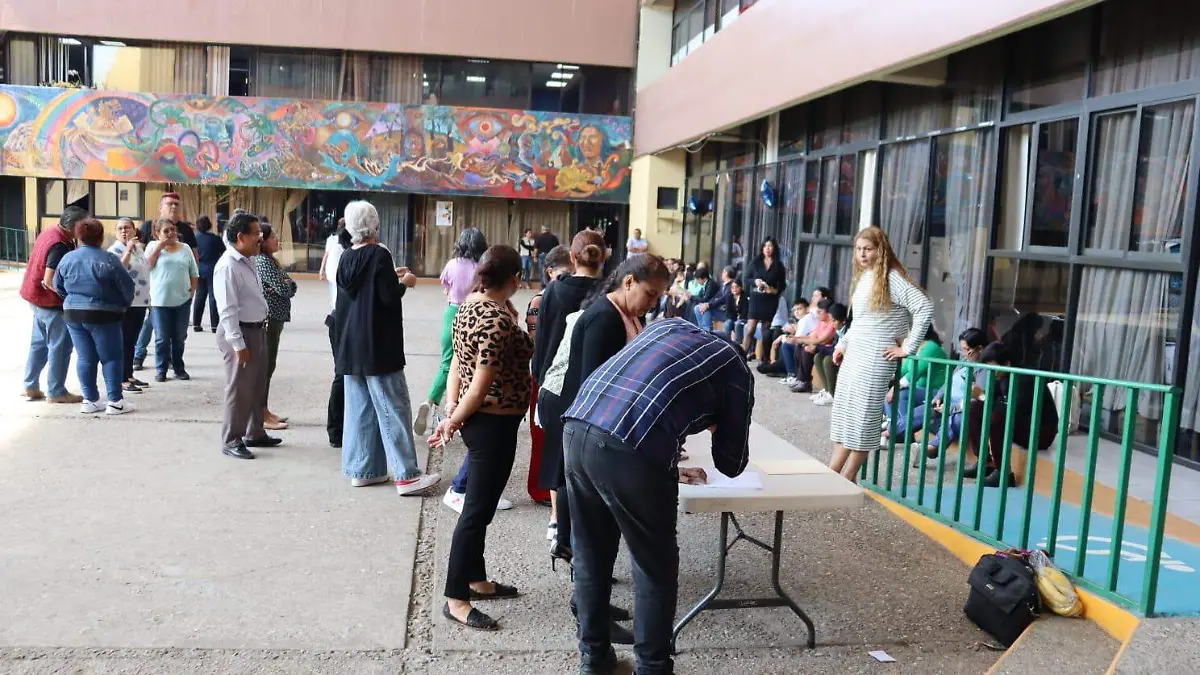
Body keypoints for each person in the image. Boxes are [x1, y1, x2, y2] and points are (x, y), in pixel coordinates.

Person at [563, 318, 753, 675]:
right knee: (654, 567)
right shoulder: (735, 366)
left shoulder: (668, 326)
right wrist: (718, 421)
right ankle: (651, 668)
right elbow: (730, 463)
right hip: (630, 447)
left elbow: (642, 391)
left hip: (577, 427)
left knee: (590, 555)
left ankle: (594, 660)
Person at [428, 245, 534, 632]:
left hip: (484, 420)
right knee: (475, 513)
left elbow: (458, 363)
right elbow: (480, 385)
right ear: (515, 278)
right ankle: (457, 598)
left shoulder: (470, 305)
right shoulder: (495, 318)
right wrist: (452, 420)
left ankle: (476, 580)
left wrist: (453, 410)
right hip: (491, 423)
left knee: (481, 507)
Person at [335, 201, 439, 494]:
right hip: (378, 345)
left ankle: (364, 469)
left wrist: (392, 275)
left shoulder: (346, 257)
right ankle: (406, 474)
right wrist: (405, 281)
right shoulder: (379, 254)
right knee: (393, 407)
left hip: (351, 346)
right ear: (375, 225)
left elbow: (364, 292)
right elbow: (387, 297)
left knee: (360, 410)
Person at [828, 226, 933, 483]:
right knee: (846, 412)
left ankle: (848, 476)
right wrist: (843, 344)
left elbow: (924, 307)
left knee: (864, 415)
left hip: (877, 356)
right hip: (857, 353)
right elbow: (861, 321)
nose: (862, 254)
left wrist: (908, 347)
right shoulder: (866, 277)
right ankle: (831, 473)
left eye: (868, 249)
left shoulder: (891, 277)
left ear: (880, 249)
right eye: (859, 249)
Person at [532, 232, 608, 546]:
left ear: (572, 258)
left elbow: (543, 342)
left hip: (557, 387)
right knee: (591, 470)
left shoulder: (554, 292)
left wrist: (540, 379)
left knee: (558, 460)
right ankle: (585, 540)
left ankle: (557, 526)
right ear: (605, 257)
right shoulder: (610, 295)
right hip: (596, 391)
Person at [213, 213, 282, 460]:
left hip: (256, 329)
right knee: (239, 388)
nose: (260, 238)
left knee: (256, 384)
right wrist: (238, 344)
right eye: (256, 234)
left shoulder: (248, 259)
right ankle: (232, 439)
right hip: (240, 332)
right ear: (240, 237)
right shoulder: (228, 266)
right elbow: (227, 310)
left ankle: (255, 432)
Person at [54, 218, 136, 415]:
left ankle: (90, 400)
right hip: (104, 313)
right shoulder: (108, 259)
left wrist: (72, 300)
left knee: (85, 357)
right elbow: (127, 287)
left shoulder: (67, 258)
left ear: (79, 237)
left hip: (73, 313)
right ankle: (115, 401)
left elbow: (58, 285)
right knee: (111, 358)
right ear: (101, 237)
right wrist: (122, 306)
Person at [414, 228, 489, 442]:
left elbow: (446, 288)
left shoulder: (452, 264)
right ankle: (460, 412)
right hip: (475, 315)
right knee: (472, 367)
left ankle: (431, 401)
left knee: (448, 363)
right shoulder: (482, 268)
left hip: (452, 312)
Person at [962, 342, 1059, 488]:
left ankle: (1003, 473)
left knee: (998, 417)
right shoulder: (1001, 376)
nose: (990, 372)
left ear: (1007, 364)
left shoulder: (1024, 378)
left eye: (993, 367)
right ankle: (985, 462)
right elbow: (991, 400)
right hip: (1021, 423)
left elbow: (1013, 410)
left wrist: (982, 396)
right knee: (974, 407)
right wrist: (979, 396)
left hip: (1040, 432)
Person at [524, 244, 574, 508]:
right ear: (549, 271)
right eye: (564, 272)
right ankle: (540, 488)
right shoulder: (539, 300)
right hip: (543, 373)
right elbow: (535, 339)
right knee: (541, 433)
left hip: (560, 373)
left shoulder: (565, 297)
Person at [20, 206, 86, 403]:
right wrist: (68, 297)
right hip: (50, 303)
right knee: (60, 346)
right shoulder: (60, 244)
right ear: (73, 226)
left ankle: (30, 385)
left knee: (38, 345)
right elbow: (49, 280)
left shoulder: (49, 231)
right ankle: (56, 391)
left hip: (35, 298)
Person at [135, 192, 198, 368]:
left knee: (178, 330)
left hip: (180, 290)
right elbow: (141, 258)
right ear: (161, 207)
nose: (173, 207)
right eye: (169, 204)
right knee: (150, 324)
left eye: (176, 204)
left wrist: (193, 286)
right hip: (154, 289)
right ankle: (138, 355)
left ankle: (172, 360)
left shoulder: (185, 230)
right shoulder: (148, 226)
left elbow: (194, 256)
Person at [909, 327, 988, 464]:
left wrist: (950, 408)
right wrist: (938, 396)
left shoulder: (983, 370)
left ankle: (931, 447)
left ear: (980, 349)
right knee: (924, 410)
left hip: (961, 410)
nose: (964, 353)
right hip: (946, 404)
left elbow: (976, 399)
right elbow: (949, 382)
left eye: (966, 349)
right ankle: (890, 431)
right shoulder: (964, 362)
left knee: (958, 418)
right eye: (962, 349)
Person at [146, 218, 199, 382]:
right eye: (166, 231)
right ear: (157, 234)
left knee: (179, 337)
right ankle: (161, 369)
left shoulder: (185, 248)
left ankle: (178, 368)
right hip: (160, 302)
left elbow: (194, 272)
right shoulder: (152, 247)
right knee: (162, 338)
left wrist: (191, 294)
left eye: (172, 230)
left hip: (182, 301)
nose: (170, 233)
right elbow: (147, 266)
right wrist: (160, 247)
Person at [256, 223, 298, 431]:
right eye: (273, 237)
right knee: (265, 367)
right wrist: (284, 284)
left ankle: (265, 409)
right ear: (263, 241)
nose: (277, 240)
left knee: (269, 366)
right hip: (269, 318)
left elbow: (291, 285)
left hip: (277, 318)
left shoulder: (271, 261)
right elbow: (285, 288)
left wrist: (286, 284)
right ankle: (260, 413)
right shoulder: (263, 262)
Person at [882, 325, 949, 442]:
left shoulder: (931, 347)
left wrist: (894, 388)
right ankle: (898, 428)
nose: (907, 335)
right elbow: (903, 371)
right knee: (888, 396)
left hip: (936, 391)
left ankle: (899, 431)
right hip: (919, 389)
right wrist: (884, 378)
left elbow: (913, 373)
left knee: (901, 394)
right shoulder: (914, 348)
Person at [109, 218, 153, 394]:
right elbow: (119, 269)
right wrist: (127, 250)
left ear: (134, 230)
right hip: (125, 303)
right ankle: (121, 378)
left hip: (140, 301)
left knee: (132, 341)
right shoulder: (115, 250)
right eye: (120, 228)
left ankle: (129, 374)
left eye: (127, 227)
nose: (124, 231)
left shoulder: (139, 249)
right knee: (124, 341)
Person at [325, 227, 353, 449]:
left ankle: (341, 427)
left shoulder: (345, 254)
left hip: (342, 319)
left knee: (345, 374)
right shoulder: (346, 256)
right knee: (342, 374)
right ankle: (336, 430)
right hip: (341, 320)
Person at [742, 237, 787, 361]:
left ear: (774, 248)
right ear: (762, 248)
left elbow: (783, 284)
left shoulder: (779, 265)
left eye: (770, 246)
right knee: (750, 328)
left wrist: (775, 291)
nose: (768, 249)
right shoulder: (755, 262)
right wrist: (755, 281)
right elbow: (746, 278)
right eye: (765, 246)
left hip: (770, 299)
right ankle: (742, 356)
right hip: (756, 298)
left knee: (765, 331)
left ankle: (764, 359)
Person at [782, 298, 837, 393]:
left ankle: (806, 381)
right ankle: (800, 378)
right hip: (818, 345)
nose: (818, 314)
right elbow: (811, 336)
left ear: (828, 313)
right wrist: (797, 339)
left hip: (826, 348)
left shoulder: (832, 324)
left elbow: (822, 340)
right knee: (800, 346)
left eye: (820, 312)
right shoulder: (821, 322)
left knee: (806, 350)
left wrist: (798, 340)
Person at [809, 302, 849, 406]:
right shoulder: (838, 330)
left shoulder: (848, 330)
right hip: (838, 353)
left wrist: (817, 347)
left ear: (843, 321)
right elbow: (834, 347)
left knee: (827, 361)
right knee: (818, 357)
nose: (832, 323)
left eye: (834, 320)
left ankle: (833, 394)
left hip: (848, 356)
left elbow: (835, 349)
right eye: (830, 320)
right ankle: (827, 390)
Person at [192, 215, 224, 333]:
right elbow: (223, 251)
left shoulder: (194, 238)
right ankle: (214, 325)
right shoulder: (215, 238)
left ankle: (196, 323)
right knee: (213, 296)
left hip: (198, 268)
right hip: (212, 268)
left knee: (199, 296)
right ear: (209, 225)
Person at [693, 265, 735, 331]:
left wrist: (708, 305)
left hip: (727, 313)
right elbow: (716, 297)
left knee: (707, 309)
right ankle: (701, 329)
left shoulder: (732, 285)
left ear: (726, 273)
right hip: (720, 309)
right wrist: (707, 304)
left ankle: (707, 331)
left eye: (723, 272)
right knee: (697, 308)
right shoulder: (724, 285)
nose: (722, 274)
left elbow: (723, 299)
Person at [319, 218, 345, 313]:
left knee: (334, 292)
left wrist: (321, 270)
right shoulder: (347, 241)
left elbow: (326, 255)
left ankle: (336, 310)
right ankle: (337, 311)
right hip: (340, 271)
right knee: (338, 293)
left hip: (332, 270)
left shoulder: (331, 239)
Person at [727, 278, 750, 344]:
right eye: (732, 287)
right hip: (734, 318)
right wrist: (733, 318)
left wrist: (738, 319)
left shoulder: (745, 297)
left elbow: (745, 313)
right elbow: (729, 312)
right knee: (727, 323)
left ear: (741, 287)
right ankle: (726, 343)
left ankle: (738, 344)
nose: (734, 289)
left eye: (736, 287)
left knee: (738, 324)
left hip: (743, 319)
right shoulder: (730, 297)